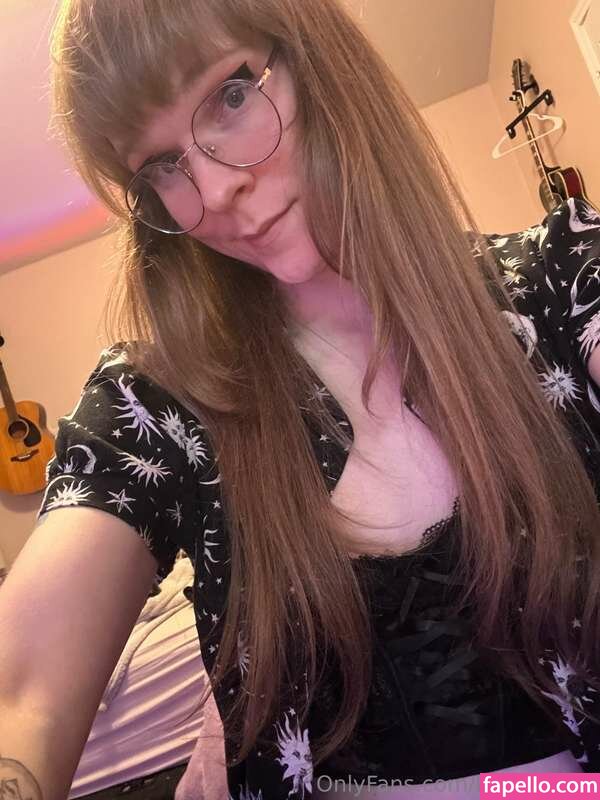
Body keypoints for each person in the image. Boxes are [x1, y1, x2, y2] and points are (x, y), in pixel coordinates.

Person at [2, 0, 600, 798]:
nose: (214, 190)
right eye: (161, 167)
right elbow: (21, 696)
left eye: (230, 96)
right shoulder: (162, 405)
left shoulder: (557, 283)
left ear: (314, 55)